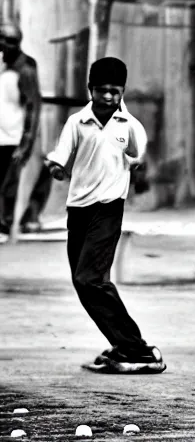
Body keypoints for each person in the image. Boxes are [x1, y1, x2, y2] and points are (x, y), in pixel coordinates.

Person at [45, 57, 166, 374]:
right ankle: (124, 344)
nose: (109, 98)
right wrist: (57, 168)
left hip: (109, 208)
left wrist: (136, 166)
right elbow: (61, 157)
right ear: (90, 90)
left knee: (91, 278)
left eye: (115, 91)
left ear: (122, 91)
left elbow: (139, 160)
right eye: (102, 91)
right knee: (82, 281)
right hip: (78, 208)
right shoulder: (77, 123)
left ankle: (136, 349)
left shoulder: (130, 126)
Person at [0, 23, 42, 242]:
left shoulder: (25, 67)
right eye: (3, 39)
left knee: (8, 186)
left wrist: (25, 143)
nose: (5, 45)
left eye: (11, 41)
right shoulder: (1, 64)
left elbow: (33, 106)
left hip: (13, 137)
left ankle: (5, 227)